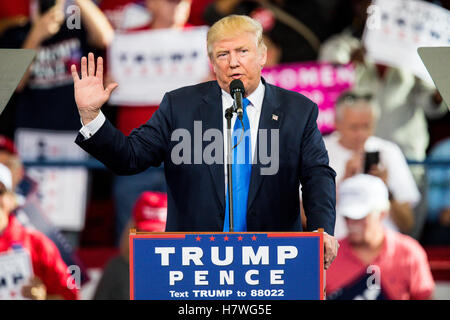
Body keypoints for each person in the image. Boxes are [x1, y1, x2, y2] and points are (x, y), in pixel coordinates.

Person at [71, 15, 339, 269]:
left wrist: (322, 230)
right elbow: (130, 157)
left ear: (262, 55)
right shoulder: (180, 107)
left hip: (272, 261)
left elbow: (317, 175)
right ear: (211, 63)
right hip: (197, 264)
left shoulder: (298, 111)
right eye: (223, 54)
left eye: (242, 52)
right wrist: (91, 115)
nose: (233, 62)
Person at [99, 0, 192, 245]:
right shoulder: (125, 43)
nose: (178, 7)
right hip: (137, 158)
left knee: (188, 239)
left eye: (184, 2)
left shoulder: (206, 43)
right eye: (172, 2)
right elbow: (105, 94)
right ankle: (130, 284)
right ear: (151, 3)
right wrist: (107, 85)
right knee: (130, 239)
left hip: (188, 157)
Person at [0, 0, 114, 132]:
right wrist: (36, 36)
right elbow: (11, 84)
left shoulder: (78, 26)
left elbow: (106, 38)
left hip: (77, 132)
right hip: (32, 135)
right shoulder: (15, 32)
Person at [324, 91, 421, 238]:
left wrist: (385, 188)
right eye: (354, 127)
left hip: (383, 249)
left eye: (367, 126)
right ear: (337, 123)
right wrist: (343, 182)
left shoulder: (389, 152)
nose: (361, 134)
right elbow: (305, 218)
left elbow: (407, 222)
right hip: (337, 250)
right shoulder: (320, 151)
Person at [326, 174, 435, 300]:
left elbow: (424, 296)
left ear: (382, 213)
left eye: (360, 217)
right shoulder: (328, 255)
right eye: (347, 216)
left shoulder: (409, 252)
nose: (351, 223)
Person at [0, 163, 79, 300]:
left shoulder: (37, 244)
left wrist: (44, 297)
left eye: (0, 191)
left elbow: (70, 296)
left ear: (12, 199)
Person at [93, 191, 167, 300]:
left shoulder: (185, 268)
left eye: (158, 234)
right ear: (132, 229)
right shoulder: (117, 267)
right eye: (143, 232)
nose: (151, 239)